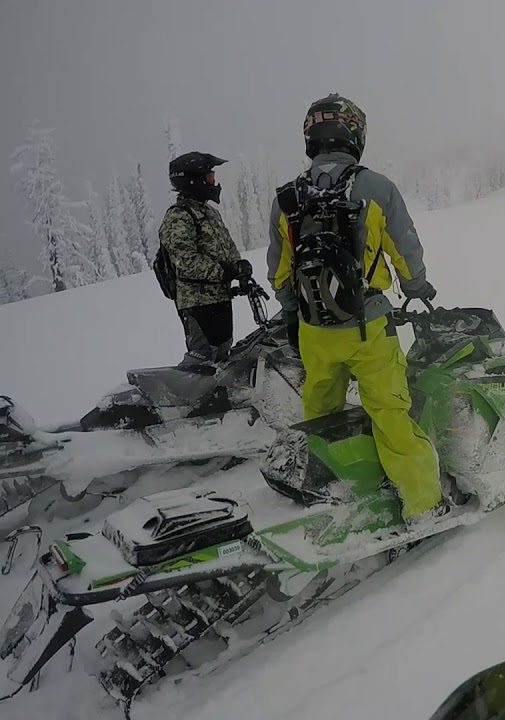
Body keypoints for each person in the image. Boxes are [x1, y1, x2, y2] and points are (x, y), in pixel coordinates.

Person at [266, 93, 446, 526]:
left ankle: (326, 487)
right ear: (354, 133)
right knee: (389, 412)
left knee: (320, 413)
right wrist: (417, 287)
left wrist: (295, 315)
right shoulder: (376, 187)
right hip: (368, 325)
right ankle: (423, 505)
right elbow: (406, 250)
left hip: (313, 329)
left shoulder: (286, 198)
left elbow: (279, 271)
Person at [159, 151, 254, 365]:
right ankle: (191, 398)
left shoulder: (209, 213)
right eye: (209, 176)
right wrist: (224, 271)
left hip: (220, 298)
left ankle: (219, 397)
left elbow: (225, 245)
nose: (214, 181)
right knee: (202, 360)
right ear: (194, 179)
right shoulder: (179, 216)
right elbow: (185, 260)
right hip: (198, 304)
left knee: (222, 355)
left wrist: (239, 266)